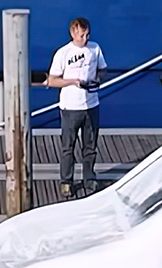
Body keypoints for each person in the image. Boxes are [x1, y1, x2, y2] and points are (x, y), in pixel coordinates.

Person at [46, 17, 107, 197]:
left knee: (90, 145)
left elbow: (103, 69)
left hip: (91, 104)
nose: (85, 39)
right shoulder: (63, 53)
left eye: (87, 35)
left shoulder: (95, 49)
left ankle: (89, 178)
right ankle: (66, 181)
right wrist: (72, 81)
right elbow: (52, 80)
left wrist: (97, 79)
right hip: (70, 107)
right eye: (82, 35)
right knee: (68, 146)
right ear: (73, 33)